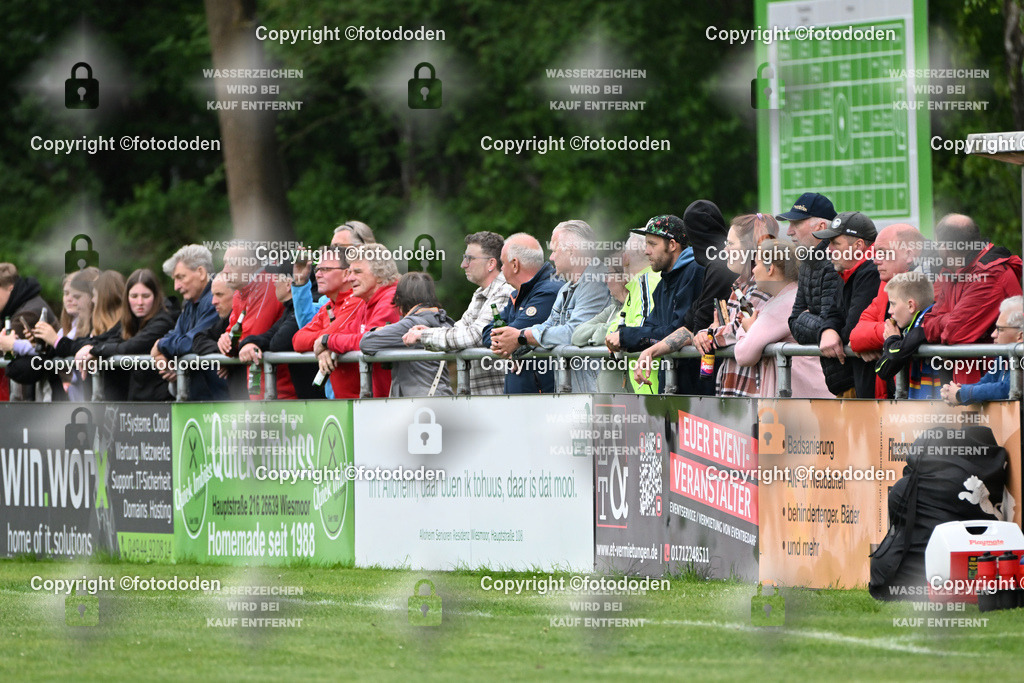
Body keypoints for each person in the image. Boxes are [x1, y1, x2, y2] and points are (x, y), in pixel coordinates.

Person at [491, 220, 610, 392]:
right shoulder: (565, 288)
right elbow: (549, 326)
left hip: (599, 394)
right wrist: (517, 347)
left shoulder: (596, 283)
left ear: (571, 252)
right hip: (577, 391)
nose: (551, 257)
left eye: (554, 251)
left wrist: (521, 337)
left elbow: (574, 333)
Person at [402, 231, 514, 395]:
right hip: (488, 398)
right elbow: (458, 331)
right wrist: (429, 332)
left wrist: (424, 335)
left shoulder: (505, 291)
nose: (463, 264)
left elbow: (475, 336)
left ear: (491, 263)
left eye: (469, 258)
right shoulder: (481, 293)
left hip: (502, 399)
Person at [923, 213, 1023, 384]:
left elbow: (954, 332)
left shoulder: (989, 273)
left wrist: (949, 320)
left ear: (945, 247)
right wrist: (952, 318)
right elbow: (928, 325)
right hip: (973, 384)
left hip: (997, 385)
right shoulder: (953, 272)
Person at [609, 214, 705, 394]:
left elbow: (679, 330)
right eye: (646, 244)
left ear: (672, 245)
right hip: (670, 383)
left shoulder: (695, 271)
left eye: (652, 244)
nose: (646, 251)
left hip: (698, 388)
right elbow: (652, 328)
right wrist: (623, 340)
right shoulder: (663, 283)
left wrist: (626, 336)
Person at [730, 238, 830, 398]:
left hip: (803, 401)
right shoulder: (796, 295)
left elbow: (743, 355)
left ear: (770, 268)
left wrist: (746, 328)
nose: (753, 270)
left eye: (756, 264)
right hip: (816, 395)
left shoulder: (780, 306)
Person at [694, 212, 778, 397]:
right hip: (735, 390)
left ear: (749, 249)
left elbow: (738, 330)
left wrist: (707, 335)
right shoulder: (740, 285)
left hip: (752, 395)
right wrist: (714, 331)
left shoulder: (762, 286)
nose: (725, 250)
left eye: (731, 244)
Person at [781, 192, 848, 395]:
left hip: (853, 377)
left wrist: (805, 318)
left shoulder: (835, 263)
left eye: (796, 223)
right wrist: (808, 321)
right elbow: (793, 322)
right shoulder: (807, 264)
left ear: (821, 227)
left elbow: (834, 327)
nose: (789, 231)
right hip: (837, 379)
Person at [810, 211, 881, 397]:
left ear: (858, 246)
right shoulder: (848, 270)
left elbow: (853, 328)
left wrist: (836, 334)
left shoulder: (872, 271)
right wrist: (827, 331)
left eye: (835, 243)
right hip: (857, 380)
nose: (829, 250)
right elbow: (832, 314)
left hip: (872, 385)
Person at [850, 223, 925, 397]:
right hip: (889, 396)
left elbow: (920, 332)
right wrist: (889, 336)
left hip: (923, 396)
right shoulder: (887, 284)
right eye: (876, 253)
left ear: (909, 255)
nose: (876, 260)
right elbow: (855, 336)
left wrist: (891, 341)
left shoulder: (930, 284)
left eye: (883, 253)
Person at [482, 233, 563, 394]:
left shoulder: (549, 292)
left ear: (515, 264)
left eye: (502, 263)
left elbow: (509, 338)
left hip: (542, 399)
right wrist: (511, 347)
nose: (501, 269)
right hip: (524, 396)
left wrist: (513, 346)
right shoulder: (517, 294)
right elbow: (487, 334)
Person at [81, 269, 179, 401]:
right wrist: (89, 347)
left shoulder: (163, 322)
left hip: (161, 402)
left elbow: (129, 346)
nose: (139, 302)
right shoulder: (132, 322)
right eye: (134, 296)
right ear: (126, 298)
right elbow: (112, 339)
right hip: (137, 402)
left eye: (146, 296)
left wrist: (94, 350)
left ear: (156, 297)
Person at [317, 243, 400, 397]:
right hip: (382, 401)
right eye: (350, 272)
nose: (350, 278)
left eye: (357, 272)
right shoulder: (367, 302)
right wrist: (327, 343)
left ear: (380, 275)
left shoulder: (391, 300)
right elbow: (346, 333)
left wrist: (327, 341)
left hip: (398, 403)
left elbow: (368, 341)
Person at [361, 272, 455, 397]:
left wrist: (380, 330)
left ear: (400, 299)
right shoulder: (444, 321)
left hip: (417, 401)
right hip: (443, 396)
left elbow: (366, 343)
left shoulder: (411, 324)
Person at [292, 247, 365, 399]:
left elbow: (330, 335)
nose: (317, 274)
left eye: (325, 269)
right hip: (340, 400)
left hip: (361, 401)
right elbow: (297, 340)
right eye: (317, 269)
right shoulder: (329, 305)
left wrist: (325, 341)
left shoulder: (357, 300)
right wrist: (324, 343)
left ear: (346, 273)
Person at [153, 244, 221, 400]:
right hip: (201, 399)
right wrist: (164, 356)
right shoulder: (190, 304)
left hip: (219, 402)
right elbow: (174, 336)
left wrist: (160, 345)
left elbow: (191, 342)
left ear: (201, 272)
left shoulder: (215, 300)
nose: (176, 287)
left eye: (180, 277)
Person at [29, 267, 100, 401]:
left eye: (76, 296)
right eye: (66, 293)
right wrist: (38, 343)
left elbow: (76, 347)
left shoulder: (97, 326)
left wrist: (55, 340)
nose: (69, 299)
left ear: (92, 298)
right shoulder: (66, 329)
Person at [237, 263, 307, 399]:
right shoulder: (289, 309)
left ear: (288, 284)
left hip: (311, 399)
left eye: (277, 278)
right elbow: (269, 335)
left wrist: (252, 342)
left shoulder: (303, 307)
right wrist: (249, 343)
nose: (274, 282)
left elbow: (278, 342)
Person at [940, 295, 1023, 405]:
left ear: (1020, 336)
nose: (993, 334)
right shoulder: (1003, 357)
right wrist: (956, 391)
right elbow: (986, 382)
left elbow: (1006, 389)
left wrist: (961, 394)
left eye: (1000, 329)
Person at [874, 272, 939, 399]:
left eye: (893, 304)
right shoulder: (909, 328)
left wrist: (892, 339)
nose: (890, 311)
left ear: (910, 305)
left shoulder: (930, 322)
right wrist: (894, 340)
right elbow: (882, 370)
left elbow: (897, 353)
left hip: (939, 404)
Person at [0, 263, 59, 400]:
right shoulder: (21, 306)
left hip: (47, 398)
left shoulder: (29, 313)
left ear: (10, 288)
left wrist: (8, 343)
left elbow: (4, 349)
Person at [572, 257, 629, 392]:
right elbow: (576, 336)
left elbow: (598, 337)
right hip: (609, 395)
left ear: (623, 278)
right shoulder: (612, 309)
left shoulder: (636, 307)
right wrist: (605, 330)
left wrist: (598, 335)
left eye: (609, 274)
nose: (605, 280)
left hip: (631, 394)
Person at [616, 233, 661, 394]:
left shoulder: (645, 282)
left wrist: (618, 337)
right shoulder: (640, 284)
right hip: (652, 383)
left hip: (652, 385)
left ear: (625, 258)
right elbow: (616, 326)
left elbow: (642, 331)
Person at [191, 272, 236, 399]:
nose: (213, 302)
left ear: (237, 294)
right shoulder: (225, 320)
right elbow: (198, 339)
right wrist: (222, 351)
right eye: (213, 295)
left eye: (219, 295)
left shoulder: (250, 316)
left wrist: (231, 361)